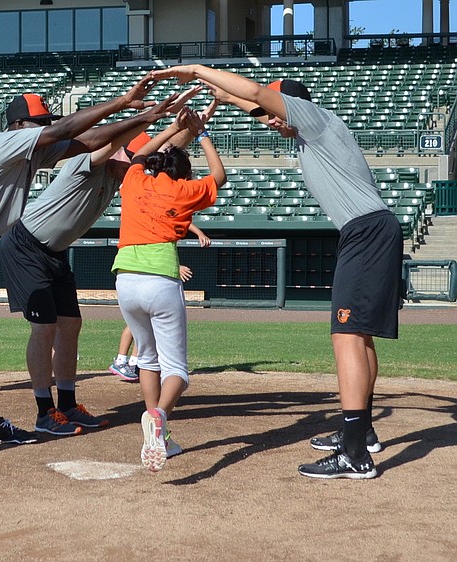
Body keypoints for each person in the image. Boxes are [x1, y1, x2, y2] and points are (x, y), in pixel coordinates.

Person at [0, 74, 183, 472]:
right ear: (19, 127)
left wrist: (147, 119)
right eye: (39, 124)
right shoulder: (1, 143)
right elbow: (66, 131)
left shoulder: (32, 156)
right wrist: (123, 102)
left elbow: (88, 141)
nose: (45, 130)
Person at [153, 65, 403, 479]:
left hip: (366, 231)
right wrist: (211, 92)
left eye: (272, 111)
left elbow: (253, 91)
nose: (268, 120)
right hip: (369, 230)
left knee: (345, 335)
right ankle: (361, 434)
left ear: (294, 105)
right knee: (358, 335)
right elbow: (247, 98)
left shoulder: (315, 119)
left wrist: (198, 68)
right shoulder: (308, 135)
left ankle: (355, 455)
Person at [0, 87, 203, 438]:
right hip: (25, 245)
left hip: (54, 251)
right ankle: (44, 411)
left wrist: (191, 125)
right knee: (44, 328)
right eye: (135, 155)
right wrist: (156, 122)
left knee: (70, 326)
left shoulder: (127, 178)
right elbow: (114, 145)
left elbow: (167, 151)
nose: (143, 163)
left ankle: (67, 404)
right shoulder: (89, 161)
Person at [112, 108, 226, 472]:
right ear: (184, 173)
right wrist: (201, 132)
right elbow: (219, 176)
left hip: (125, 277)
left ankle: (158, 434)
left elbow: (139, 155)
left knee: (146, 358)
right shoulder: (183, 190)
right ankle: (159, 417)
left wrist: (170, 131)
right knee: (176, 369)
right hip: (161, 275)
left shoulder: (135, 181)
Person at [109, 227, 210, 382]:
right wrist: (175, 266)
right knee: (138, 327)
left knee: (143, 327)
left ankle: (132, 362)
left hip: (132, 277)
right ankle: (122, 361)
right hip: (145, 275)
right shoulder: (147, 227)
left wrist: (199, 233)